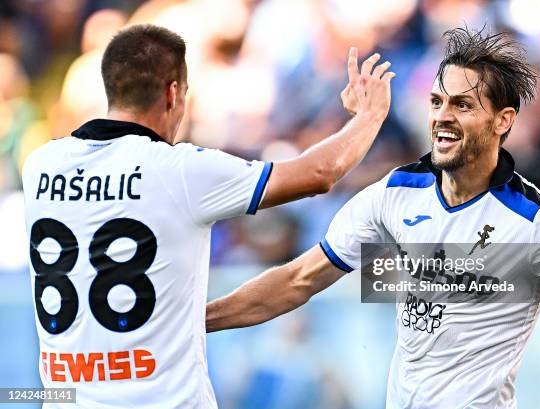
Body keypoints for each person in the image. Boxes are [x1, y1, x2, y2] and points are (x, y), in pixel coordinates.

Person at [206, 27, 540, 408]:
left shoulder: (538, 221)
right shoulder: (395, 193)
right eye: (437, 102)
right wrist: (196, 320)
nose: (442, 116)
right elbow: (297, 280)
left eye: (463, 105)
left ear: (503, 120)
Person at [21, 24, 394, 408]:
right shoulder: (178, 170)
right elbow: (319, 173)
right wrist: (370, 115)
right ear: (173, 94)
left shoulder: (40, 166)